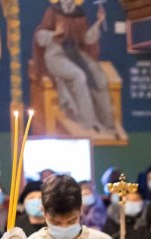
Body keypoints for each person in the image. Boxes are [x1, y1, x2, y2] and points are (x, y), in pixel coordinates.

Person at [32, 0, 121, 138]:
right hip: (56, 55)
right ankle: (89, 122)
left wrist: (98, 22)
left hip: (76, 54)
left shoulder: (79, 14)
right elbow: (39, 37)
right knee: (79, 75)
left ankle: (108, 124)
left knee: (99, 76)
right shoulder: (53, 12)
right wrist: (54, 34)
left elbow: (86, 39)